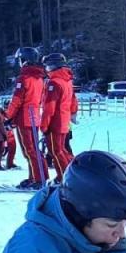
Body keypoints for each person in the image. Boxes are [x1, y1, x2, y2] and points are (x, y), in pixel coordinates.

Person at [5, 47, 49, 189]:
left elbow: (17, 99)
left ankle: (38, 178)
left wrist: (8, 116)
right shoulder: (39, 78)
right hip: (35, 115)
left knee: (29, 150)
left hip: (25, 116)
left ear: (23, 60)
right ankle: (36, 176)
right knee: (33, 149)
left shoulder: (24, 78)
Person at [41, 53, 79, 183]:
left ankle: (63, 176)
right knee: (62, 150)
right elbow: (74, 100)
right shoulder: (67, 81)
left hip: (55, 123)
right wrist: (72, 114)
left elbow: (49, 107)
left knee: (56, 151)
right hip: (64, 121)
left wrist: (44, 126)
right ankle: (72, 172)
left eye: (47, 66)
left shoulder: (54, 83)